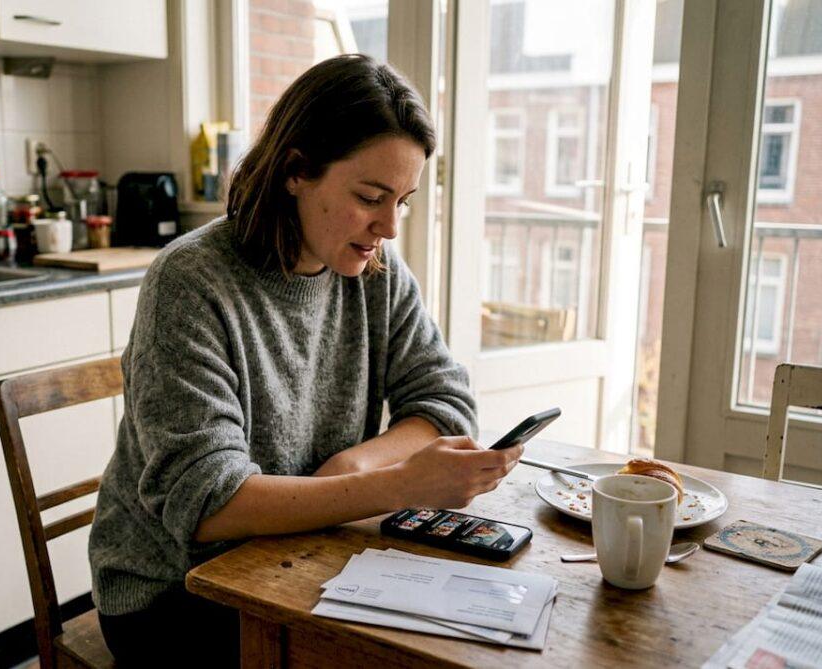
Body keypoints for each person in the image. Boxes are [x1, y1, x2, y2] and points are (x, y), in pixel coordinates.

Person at [87, 54, 522, 666]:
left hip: (306, 550)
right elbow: (208, 504)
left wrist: (353, 465)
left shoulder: (375, 270)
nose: (389, 227)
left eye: (403, 200)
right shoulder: (190, 282)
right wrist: (395, 484)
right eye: (371, 196)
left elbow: (445, 404)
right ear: (296, 171)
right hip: (174, 593)